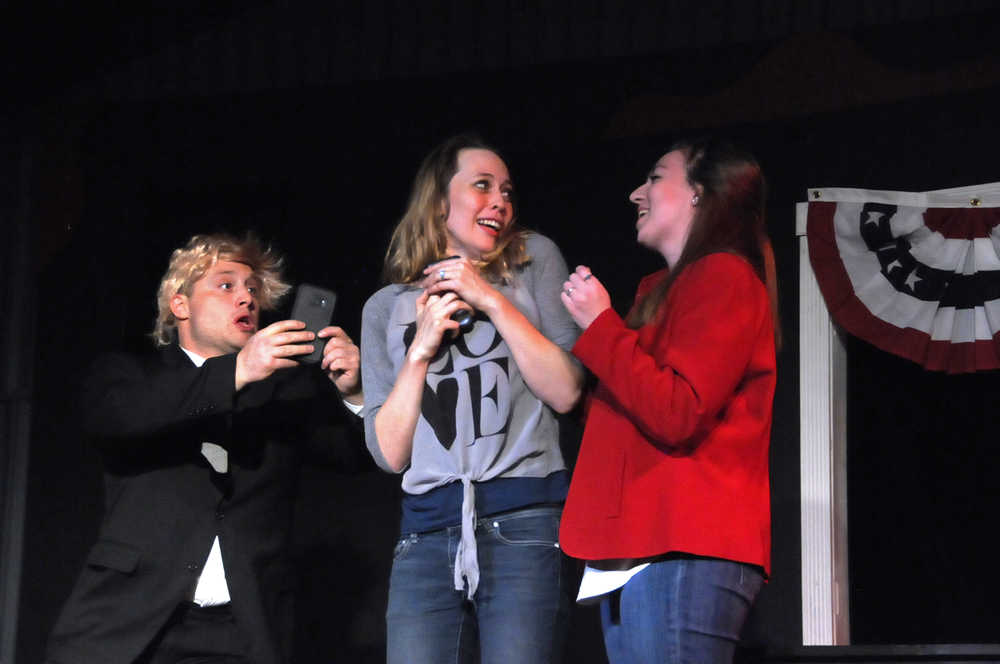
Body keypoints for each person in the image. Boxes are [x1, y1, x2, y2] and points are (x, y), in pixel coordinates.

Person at [45, 233, 365, 664]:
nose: (247, 299)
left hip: (241, 633)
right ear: (180, 306)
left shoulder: (282, 396)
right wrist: (238, 371)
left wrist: (355, 395)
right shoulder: (128, 375)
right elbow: (122, 417)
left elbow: (356, 456)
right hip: (128, 627)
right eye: (226, 285)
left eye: (253, 290)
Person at [360, 134, 584, 664]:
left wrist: (490, 298)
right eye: (481, 186)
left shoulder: (534, 262)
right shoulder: (385, 307)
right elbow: (390, 453)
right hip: (426, 533)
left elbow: (568, 390)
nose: (499, 201)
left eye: (506, 190)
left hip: (523, 520)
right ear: (440, 202)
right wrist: (419, 350)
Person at [558, 138, 780, 664]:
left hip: (684, 544)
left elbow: (678, 411)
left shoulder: (723, 276)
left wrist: (599, 326)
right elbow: (625, 414)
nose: (638, 192)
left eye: (656, 177)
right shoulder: (659, 291)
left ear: (701, 194)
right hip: (645, 546)